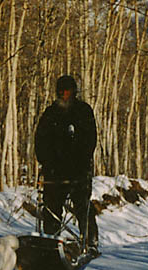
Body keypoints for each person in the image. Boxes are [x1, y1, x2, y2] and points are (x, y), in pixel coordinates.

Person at [35, 74, 99, 253]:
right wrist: (45, 162)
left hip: (78, 170)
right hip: (54, 171)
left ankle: (90, 241)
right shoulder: (50, 113)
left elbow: (90, 141)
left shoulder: (83, 111)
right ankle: (50, 244)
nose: (64, 95)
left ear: (74, 92)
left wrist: (82, 163)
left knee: (82, 206)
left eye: (68, 91)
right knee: (51, 207)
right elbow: (40, 139)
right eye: (61, 91)